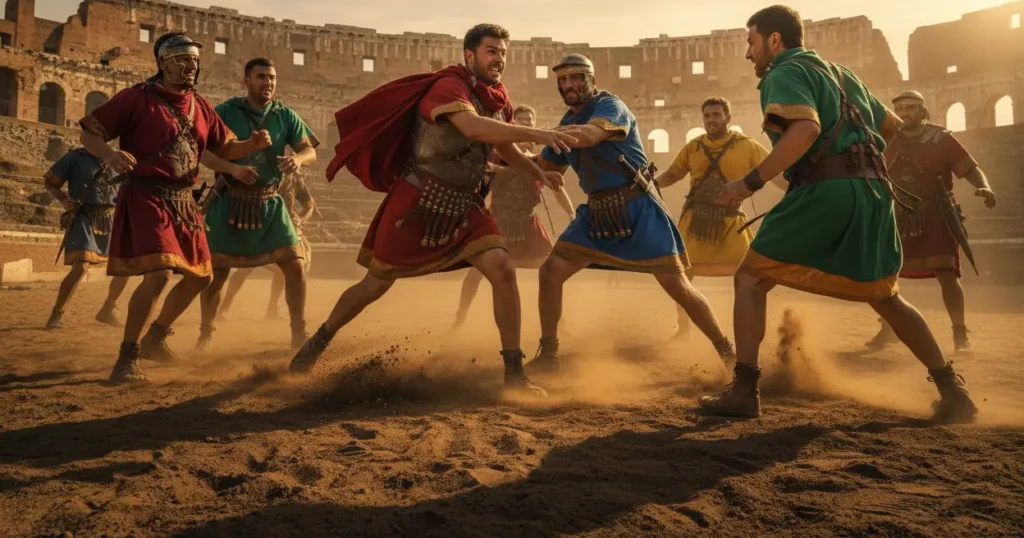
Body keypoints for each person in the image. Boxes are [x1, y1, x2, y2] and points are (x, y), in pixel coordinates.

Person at [698, 5, 977, 422]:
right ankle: (952, 392)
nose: (747, 53)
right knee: (886, 296)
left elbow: (805, 129)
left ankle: (744, 389)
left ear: (775, 40)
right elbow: (893, 129)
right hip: (872, 194)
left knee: (750, 278)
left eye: (751, 41)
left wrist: (749, 183)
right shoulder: (843, 75)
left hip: (825, 191)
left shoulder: (783, 72)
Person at [289, 24, 578, 393]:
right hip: (419, 200)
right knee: (374, 284)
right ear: (470, 55)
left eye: (503, 53)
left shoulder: (498, 100)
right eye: (492, 51)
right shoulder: (449, 87)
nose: (499, 59)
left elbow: (502, 148)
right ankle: (318, 343)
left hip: (466, 205)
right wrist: (538, 134)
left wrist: (538, 171)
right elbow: (473, 129)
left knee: (502, 269)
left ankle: (514, 375)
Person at [78, 32, 271, 383]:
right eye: (181, 59)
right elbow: (89, 134)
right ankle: (127, 357)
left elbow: (224, 149)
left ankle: (156, 337)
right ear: (162, 63)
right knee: (161, 273)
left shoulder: (201, 106)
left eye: (194, 60)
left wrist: (250, 144)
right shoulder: (136, 98)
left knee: (202, 276)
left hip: (185, 200)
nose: (189, 66)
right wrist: (110, 153)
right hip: (147, 194)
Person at [528, 54, 735, 371]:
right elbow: (542, 165)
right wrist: (500, 149)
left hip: (637, 207)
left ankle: (728, 353)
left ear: (591, 81)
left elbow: (592, 135)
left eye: (575, 78)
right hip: (597, 212)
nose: (568, 85)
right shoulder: (566, 123)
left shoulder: (610, 106)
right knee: (550, 272)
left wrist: (545, 135)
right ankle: (549, 355)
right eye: (563, 80)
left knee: (677, 285)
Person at [195, 58, 319, 352]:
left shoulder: (284, 115)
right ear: (246, 81)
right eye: (261, 76)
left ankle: (299, 333)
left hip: (270, 203)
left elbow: (309, 149)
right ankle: (205, 334)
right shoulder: (225, 111)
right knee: (218, 272)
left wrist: (297, 159)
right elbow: (203, 152)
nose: (268, 83)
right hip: (230, 201)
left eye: (272, 77)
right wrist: (233, 169)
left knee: (295, 265)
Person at [864, 90, 997, 353]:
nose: (904, 114)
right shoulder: (887, 140)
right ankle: (889, 328)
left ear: (923, 110)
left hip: (936, 214)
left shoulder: (941, 138)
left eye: (910, 108)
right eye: (900, 110)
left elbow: (969, 168)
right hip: (899, 214)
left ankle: (960, 336)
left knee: (946, 274)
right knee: (884, 275)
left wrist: (984, 187)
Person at [654, 96, 778, 340]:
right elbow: (672, 175)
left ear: (728, 118)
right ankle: (683, 328)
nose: (711, 120)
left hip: (730, 223)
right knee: (681, 275)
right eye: (707, 116)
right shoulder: (694, 147)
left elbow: (774, 170)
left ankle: (751, 330)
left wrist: (799, 189)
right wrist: (645, 185)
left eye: (716, 115)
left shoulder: (747, 146)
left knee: (750, 274)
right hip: (694, 222)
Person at [450, 103, 575, 330]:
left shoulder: (541, 159)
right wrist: (503, 169)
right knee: (475, 273)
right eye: (521, 120)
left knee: (550, 271)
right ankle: (461, 316)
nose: (526, 123)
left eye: (530, 120)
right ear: (512, 125)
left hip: (527, 225)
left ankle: (560, 322)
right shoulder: (497, 152)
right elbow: (480, 165)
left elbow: (557, 187)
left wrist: (570, 212)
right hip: (497, 223)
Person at [42, 144, 127, 329]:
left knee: (125, 267)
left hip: (112, 219)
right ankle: (57, 313)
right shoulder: (75, 157)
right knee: (80, 269)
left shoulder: (119, 158)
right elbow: (50, 182)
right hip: (84, 217)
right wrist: (63, 200)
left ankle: (108, 308)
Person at [218, 166, 316, 321]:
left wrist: (301, 218)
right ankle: (225, 306)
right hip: (259, 225)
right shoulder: (261, 172)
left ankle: (272, 308)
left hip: (285, 228)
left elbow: (309, 205)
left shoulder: (295, 179)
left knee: (286, 268)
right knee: (245, 267)